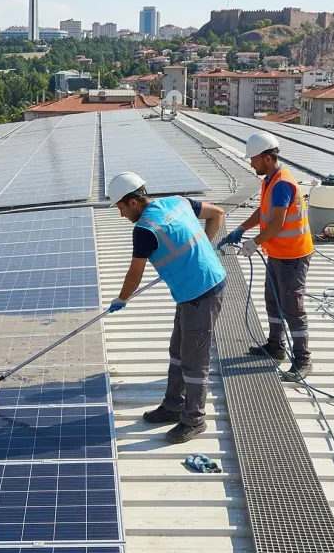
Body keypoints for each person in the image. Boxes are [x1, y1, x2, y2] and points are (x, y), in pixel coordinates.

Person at [108, 171, 226, 444]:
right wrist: (203, 249)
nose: (121, 215)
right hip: (190, 291)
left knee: (195, 360)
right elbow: (217, 213)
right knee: (178, 350)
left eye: (121, 208)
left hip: (203, 292)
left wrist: (121, 299)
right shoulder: (176, 202)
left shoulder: (145, 229)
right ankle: (173, 405)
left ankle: (194, 419)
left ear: (133, 202)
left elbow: (134, 275)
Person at [224, 131, 315, 380]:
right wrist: (242, 228)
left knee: (293, 309)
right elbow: (263, 213)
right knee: (273, 301)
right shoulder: (269, 181)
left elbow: (276, 223)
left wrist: (253, 243)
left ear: (266, 158)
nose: (250, 163)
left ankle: (303, 359)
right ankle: (275, 346)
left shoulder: (283, 183)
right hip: (278, 254)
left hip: (293, 256)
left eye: (252, 159)